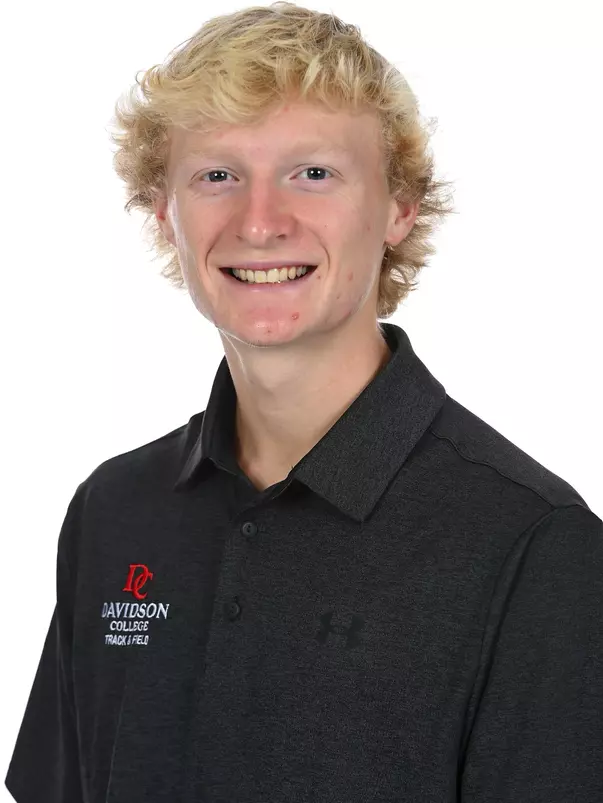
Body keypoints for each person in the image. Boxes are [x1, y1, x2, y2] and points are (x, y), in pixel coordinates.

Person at [5, 3, 602, 802]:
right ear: (163, 211)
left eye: (312, 173)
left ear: (398, 207)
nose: (259, 222)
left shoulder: (535, 546)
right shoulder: (114, 509)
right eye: (217, 175)